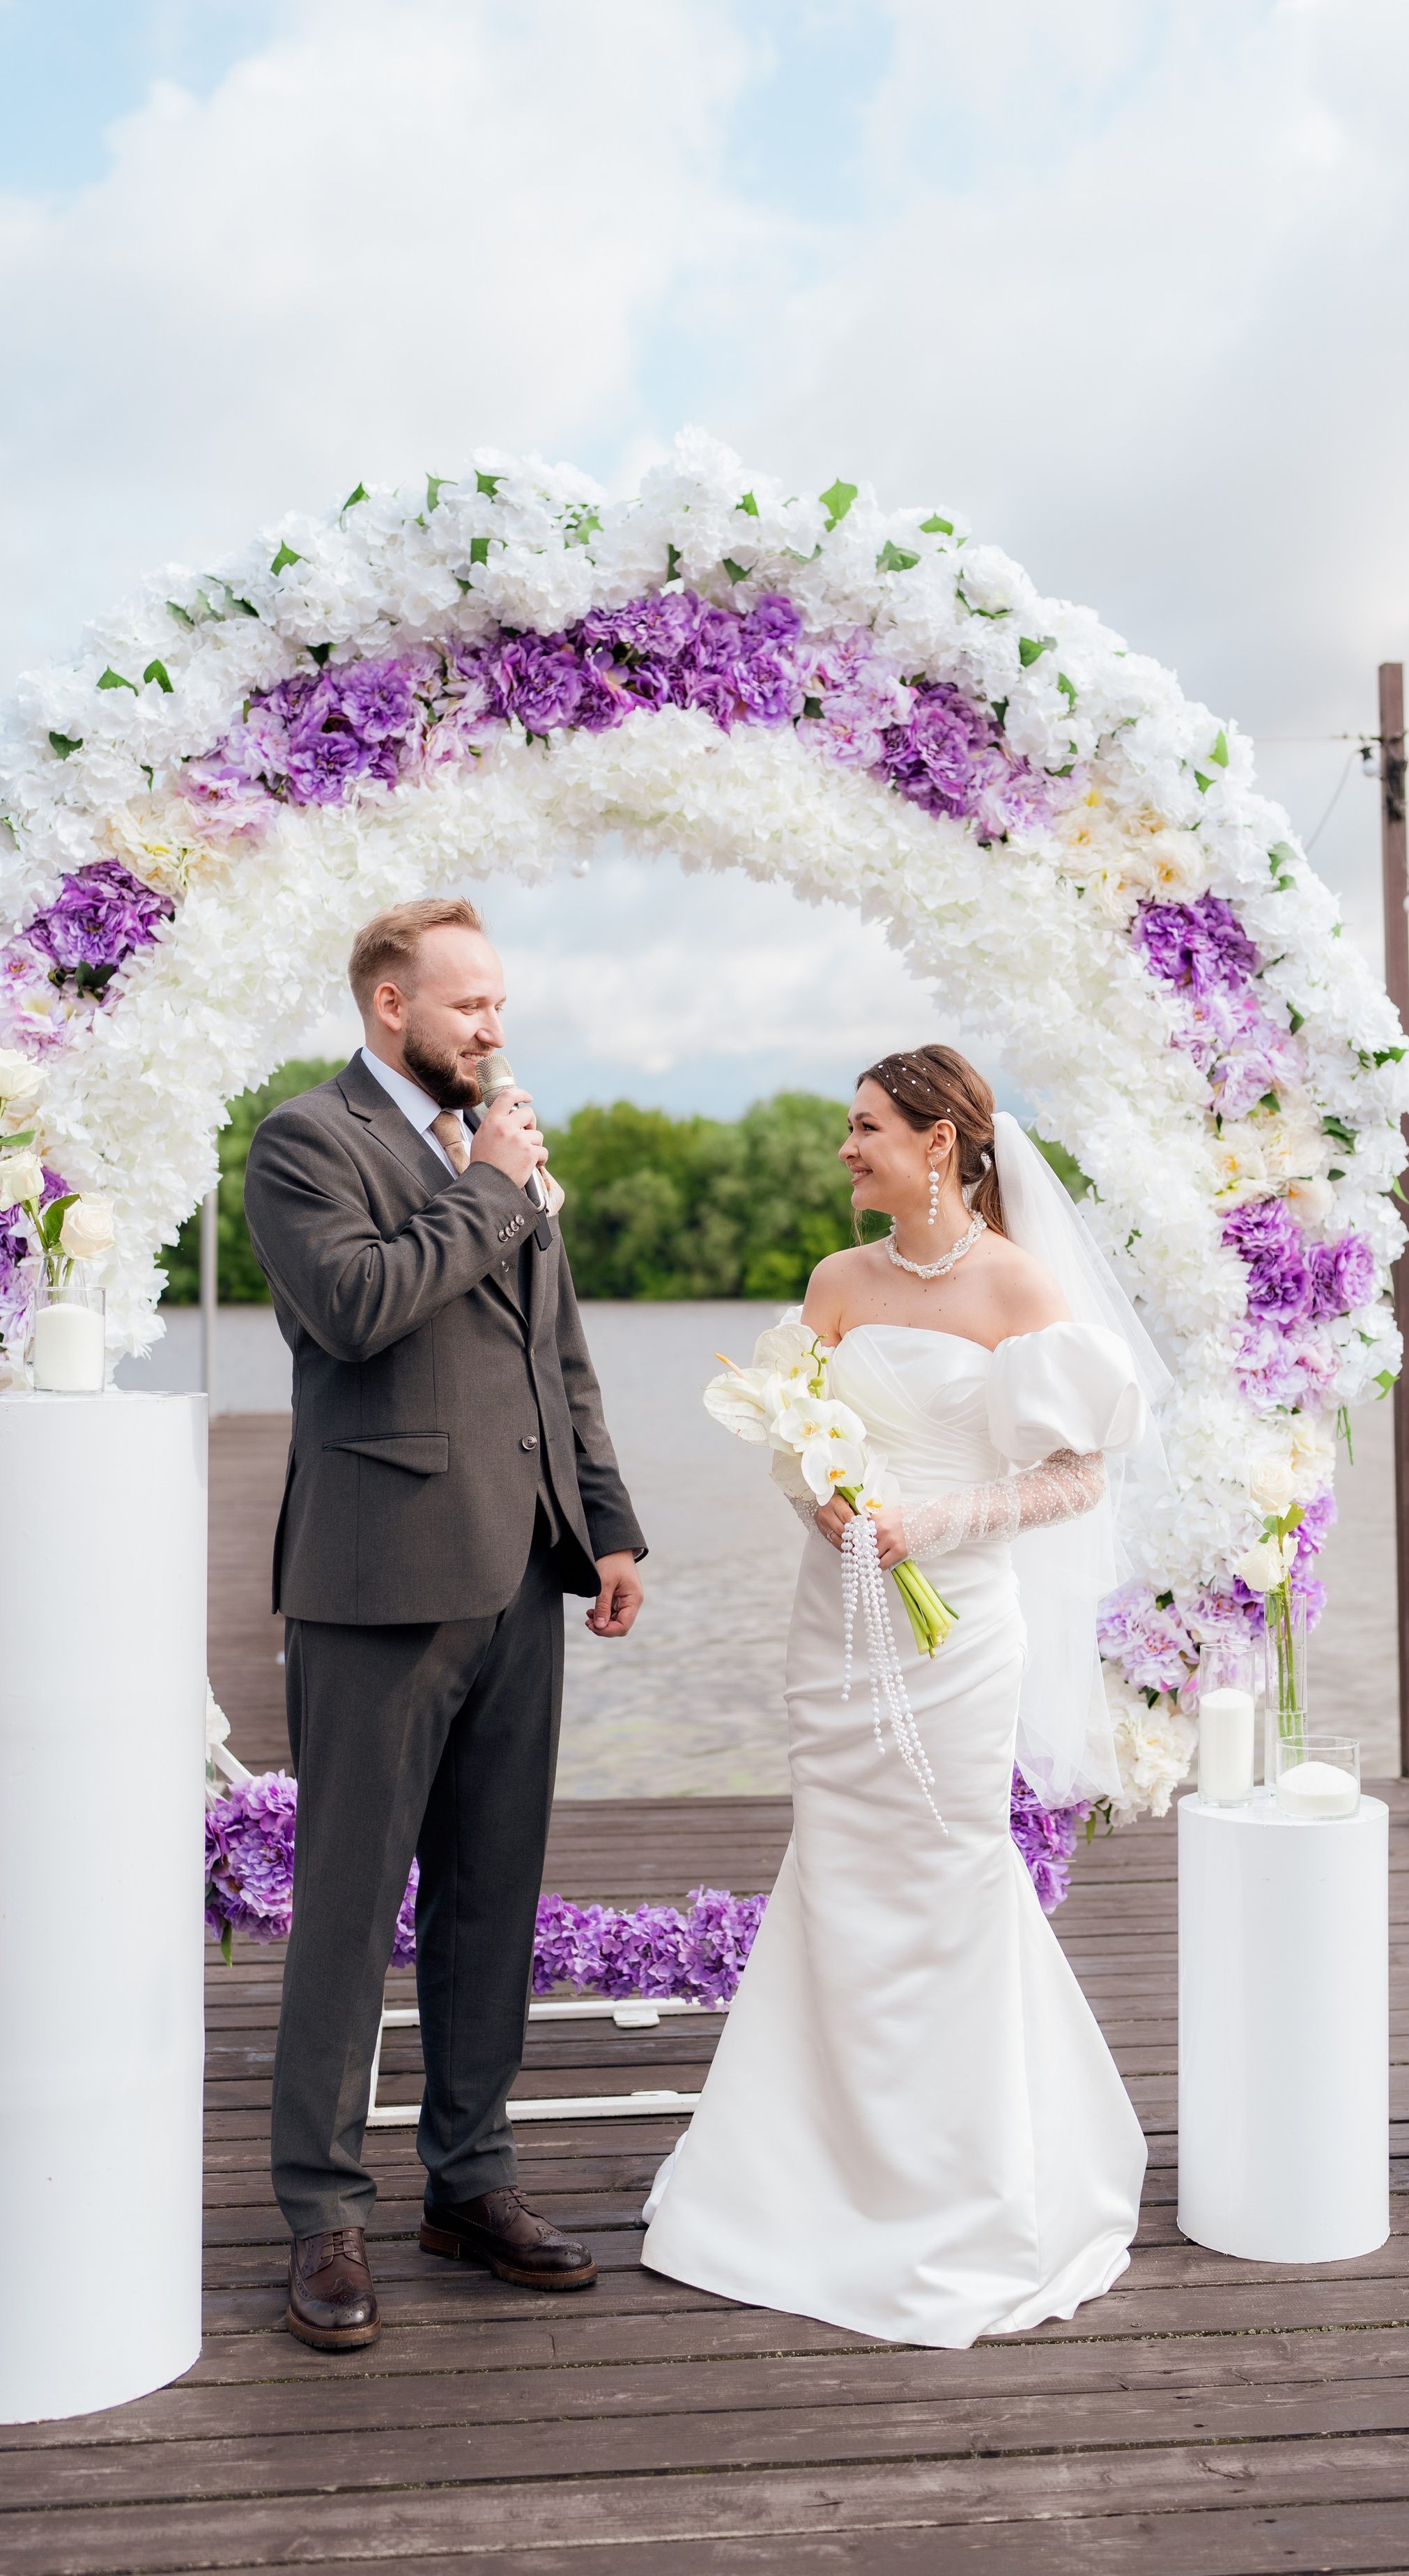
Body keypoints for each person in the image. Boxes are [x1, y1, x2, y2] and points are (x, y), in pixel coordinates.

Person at [642, 1044, 1155, 2347]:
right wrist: (823, 1503)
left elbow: (1078, 1478)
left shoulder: (1018, 1285)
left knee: (942, 1872)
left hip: (958, 1628)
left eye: (865, 1128)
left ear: (939, 1143)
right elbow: (789, 1432)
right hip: (841, 1620)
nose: (844, 1149)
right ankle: (803, 2180)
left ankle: (961, 2193)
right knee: (839, 1870)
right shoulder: (837, 1281)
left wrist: (942, 1518)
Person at [242, 896, 646, 2354]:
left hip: (518, 1572)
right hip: (374, 1582)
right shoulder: (304, 1143)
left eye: (499, 1002)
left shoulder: (506, 1147)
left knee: (492, 1898)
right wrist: (485, 1186)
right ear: (390, 1005)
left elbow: (559, 1356)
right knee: (347, 1913)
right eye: (468, 1004)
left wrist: (604, 1521)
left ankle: (468, 2183)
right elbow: (356, 1309)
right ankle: (321, 2216)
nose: (494, 1025)